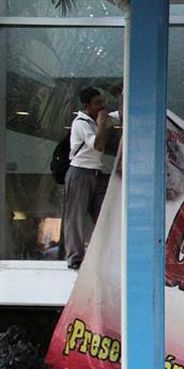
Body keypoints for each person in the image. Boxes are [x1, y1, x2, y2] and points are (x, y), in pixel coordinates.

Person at [62, 87, 119, 269]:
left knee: (102, 215)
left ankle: (104, 255)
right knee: (76, 217)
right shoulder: (82, 123)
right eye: (97, 104)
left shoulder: (97, 119)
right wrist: (102, 123)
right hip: (80, 173)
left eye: (102, 102)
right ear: (86, 106)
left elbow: (118, 116)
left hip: (96, 172)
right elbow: (98, 145)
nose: (101, 107)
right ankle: (75, 258)